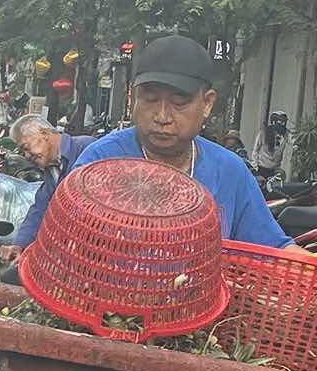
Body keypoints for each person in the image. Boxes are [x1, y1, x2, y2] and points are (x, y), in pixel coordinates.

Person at [73, 35, 296, 249]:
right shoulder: (99, 163)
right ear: (134, 97)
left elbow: (274, 247)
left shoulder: (230, 172)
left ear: (207, 103)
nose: (162, 117)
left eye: (179, 102)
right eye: (150, 99)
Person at [0, 116, 95, 264]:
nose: (26, 155)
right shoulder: (51, 168)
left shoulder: (87, 148)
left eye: (26, 147)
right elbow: (40, 207)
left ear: (44, 133)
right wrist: (19, 244)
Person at [252, 113, 289, 178]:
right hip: (261, 168)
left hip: (275, 170)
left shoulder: (286, 134)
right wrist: (255, 165)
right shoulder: (263, 133)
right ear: (273, 122)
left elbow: (294, 141)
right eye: (280, 122)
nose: (282, 124)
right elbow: (256, 149)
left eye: (284, 122)